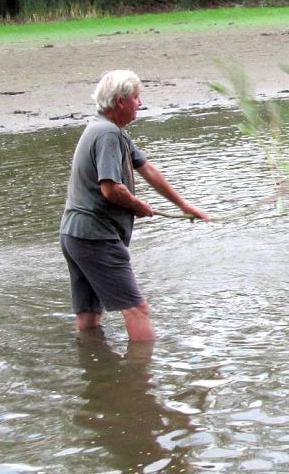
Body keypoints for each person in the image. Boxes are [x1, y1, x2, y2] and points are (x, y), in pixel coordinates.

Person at [60, 70, 209, 341]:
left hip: (74, 234)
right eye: (136, 98)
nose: (140, 103)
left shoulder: (109, 129)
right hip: (95, 236)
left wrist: (185, 206)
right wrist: (138, 205)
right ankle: (142, 379)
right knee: (137, 309)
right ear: (120, 102)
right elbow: (110, 188)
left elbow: (147, 169)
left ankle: (95, 371)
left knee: (89, 314)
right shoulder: (107, 134)